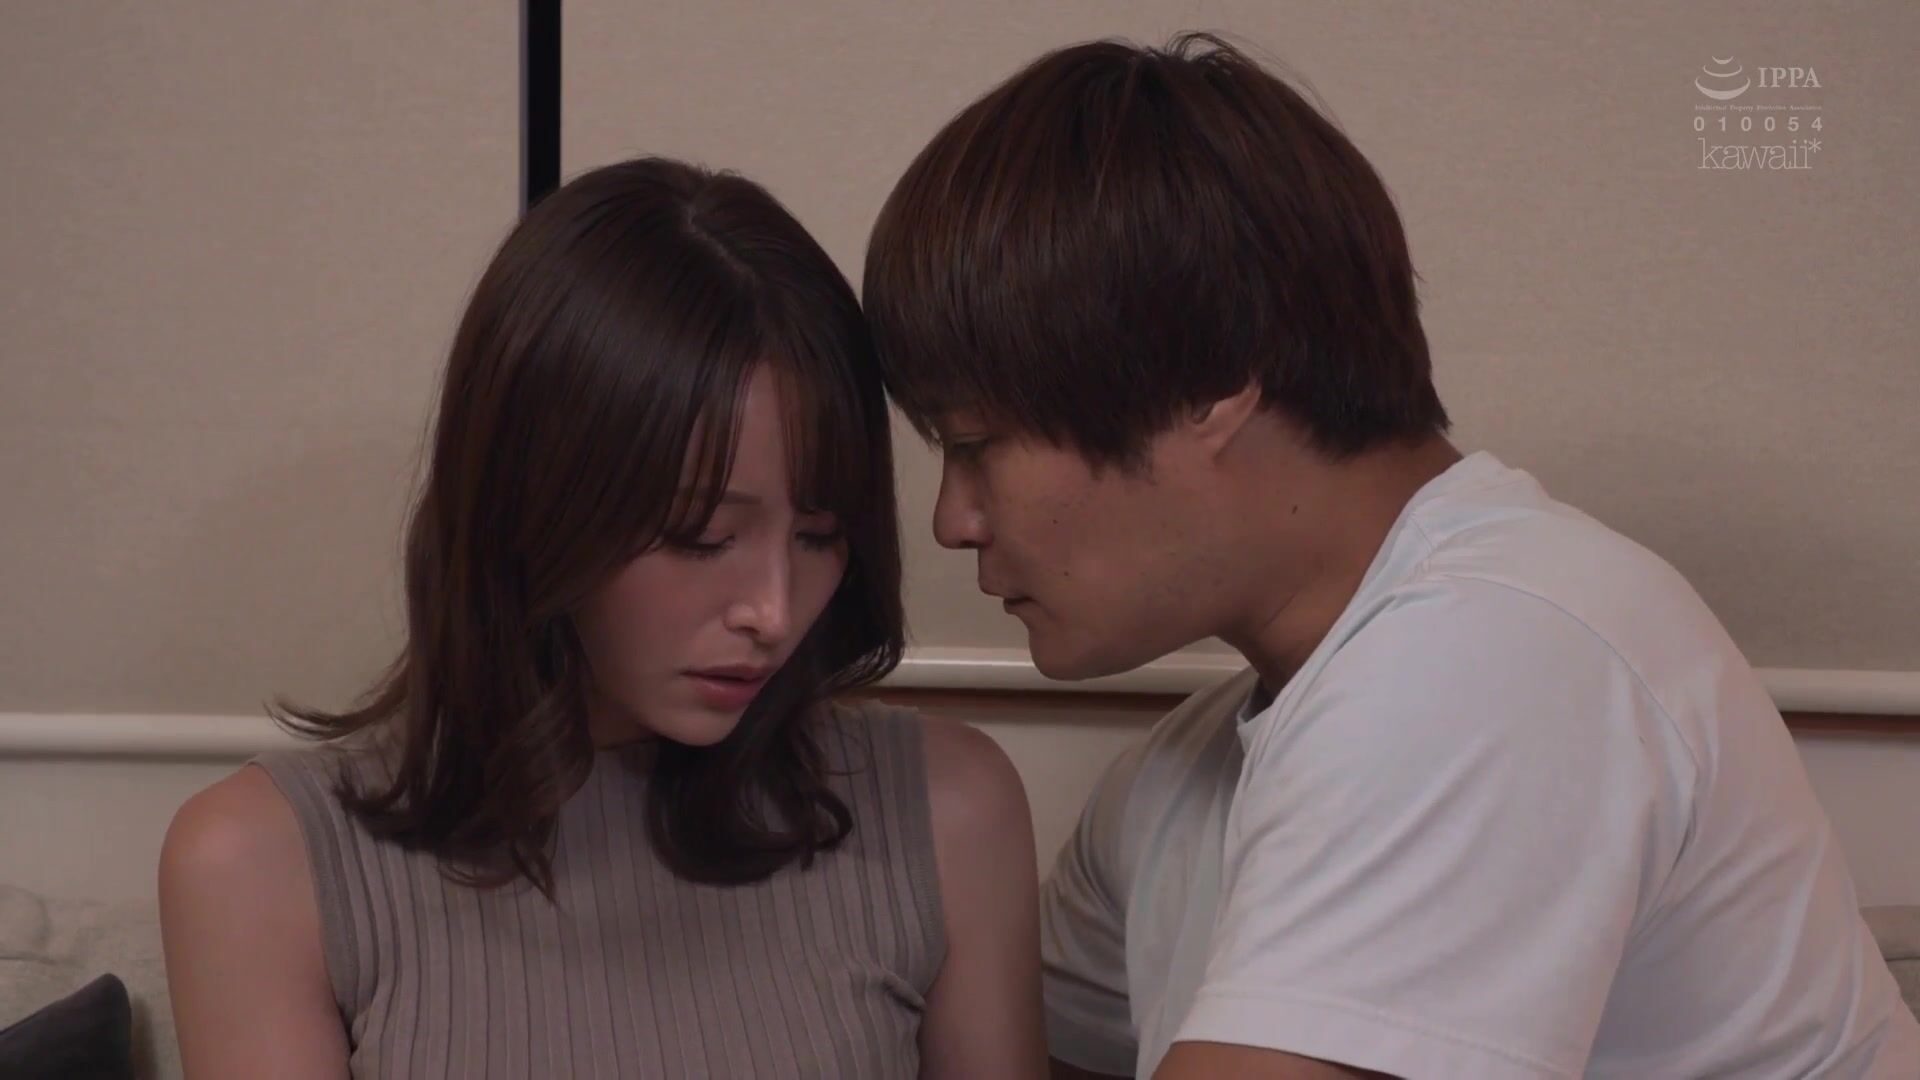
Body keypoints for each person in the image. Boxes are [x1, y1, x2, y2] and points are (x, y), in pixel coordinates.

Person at [862, 33, 1920, 1080]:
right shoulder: (1179, 779)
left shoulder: (1495, 655)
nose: (954, 521)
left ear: (1208, 385)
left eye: (975, 444)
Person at [159, 157, 1046, 1078]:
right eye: (703, 538)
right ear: (531, 504)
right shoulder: (261, 864)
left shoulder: (948, 812)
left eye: (820, 535)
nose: (775, 611)